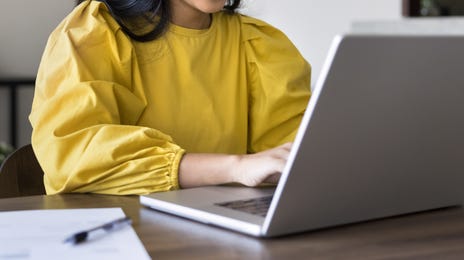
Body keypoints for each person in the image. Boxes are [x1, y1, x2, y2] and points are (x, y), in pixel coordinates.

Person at [29, 0, 311, 195]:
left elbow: (290, 149)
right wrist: (235, 168)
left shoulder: (257, 43)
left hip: (215, 234)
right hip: (116, 234)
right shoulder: (93, 32)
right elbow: (75, 155)